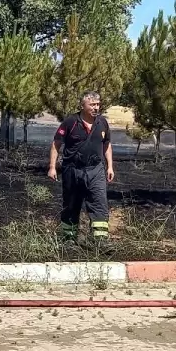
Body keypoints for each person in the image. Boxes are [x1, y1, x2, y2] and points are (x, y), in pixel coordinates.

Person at [47, 91, 115, 241]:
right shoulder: (70, 122)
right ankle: (69, 239)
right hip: (72, 170)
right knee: (71, 204)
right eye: (92, 105)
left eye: (98, 104)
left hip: (96, 169)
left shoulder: (102, 123)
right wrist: (52, 167)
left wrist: (110, 166)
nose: (96, 108)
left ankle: (100, 241)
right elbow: (56, 144)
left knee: (99, 203)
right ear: (83, 106)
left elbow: (107, 144)